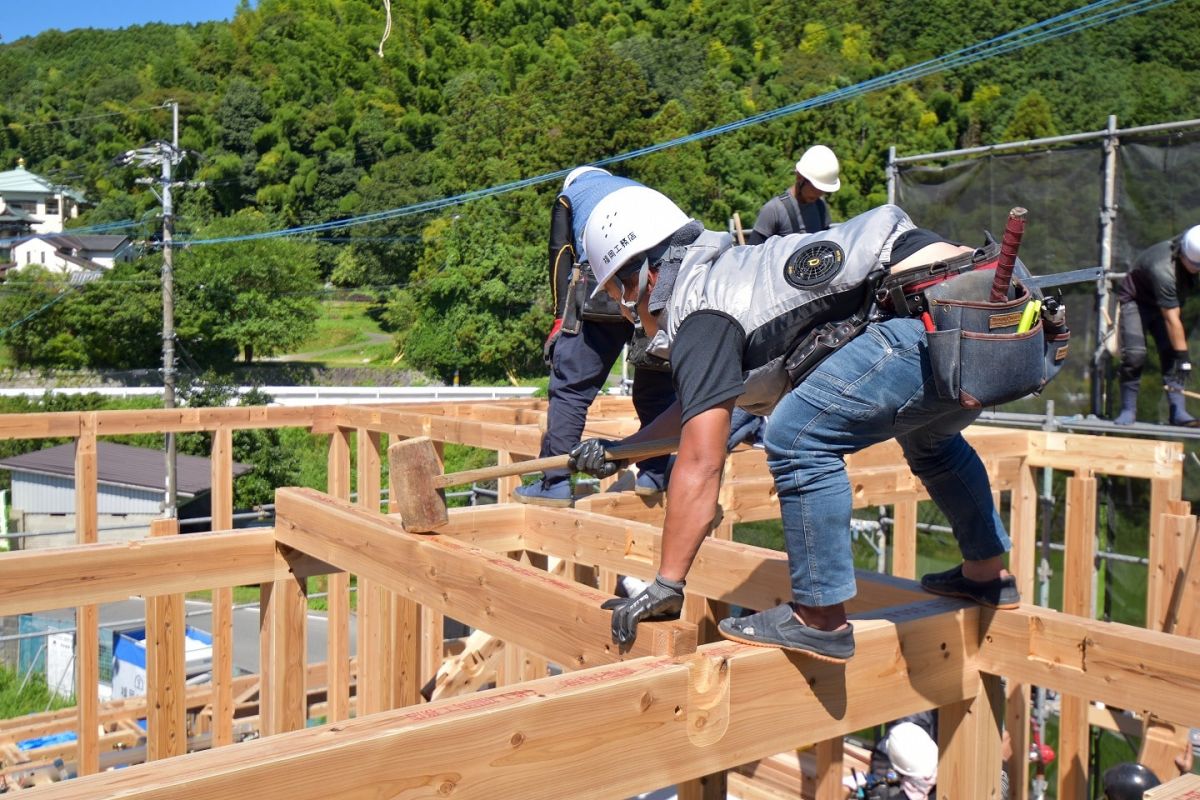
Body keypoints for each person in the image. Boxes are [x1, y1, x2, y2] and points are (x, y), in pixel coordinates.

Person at [570, 196, 1066, 662]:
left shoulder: (701, 315)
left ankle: (820, 617)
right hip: (984, 324)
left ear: (643, 276)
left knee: (796, 437)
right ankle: (986, 573)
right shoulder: (722, 283)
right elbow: (705, 414)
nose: (621, 309)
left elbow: (702, 461)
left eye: (617, 291)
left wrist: (666, 583)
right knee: (931, 440)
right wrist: (623, 451)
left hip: (939, 317)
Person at [514, 167, 697, 507]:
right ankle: (654, 474)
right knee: (656, 389)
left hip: (607, 279)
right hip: (664, 281)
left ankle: (553, 482)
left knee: (571, 387)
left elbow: (560, 255)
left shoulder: (570, 195)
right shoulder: (635, 188)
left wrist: (559, 319)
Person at [1114, 225, 1200, 426]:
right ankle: (1128, 409)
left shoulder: (1191, 243)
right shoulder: (1164, 269)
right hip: (1137, 301)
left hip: (1170, 303)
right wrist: (1184, 358)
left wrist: (1178, 355)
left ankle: (1178, 411)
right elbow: (1171, 318)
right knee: (1135, 355)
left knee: (1170, 354)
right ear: (1185, 258)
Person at [744, 144, 841, 245]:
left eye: (823, 189)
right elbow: (754, 253)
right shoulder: (773, 211)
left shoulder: (820, 208)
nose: (819, 193)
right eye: (815, 187)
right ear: (799, 177)